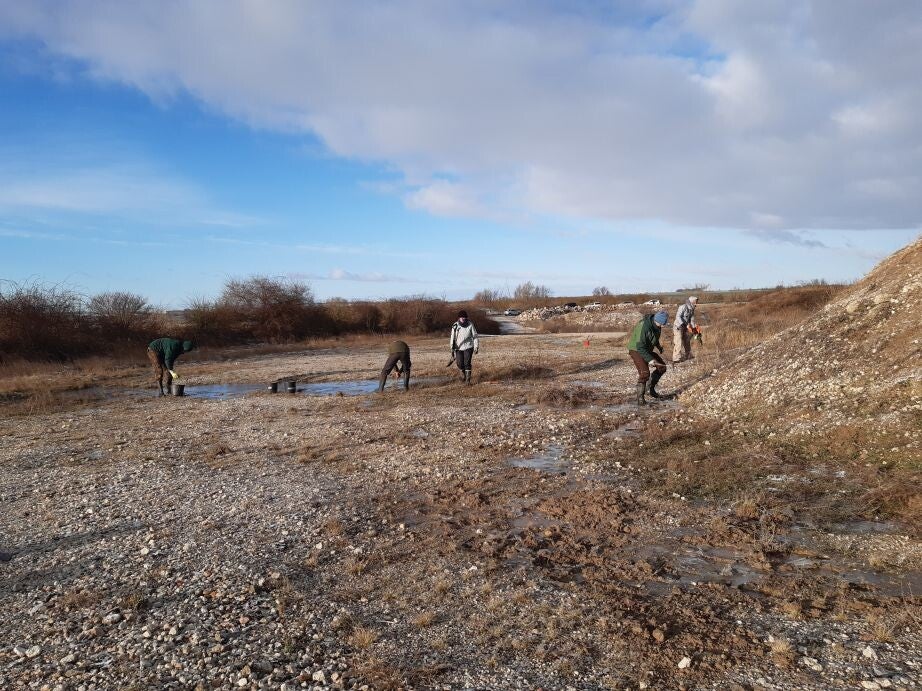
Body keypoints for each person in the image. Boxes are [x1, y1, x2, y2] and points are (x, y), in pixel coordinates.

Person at [627, 310, 669, 405]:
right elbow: (640, 347)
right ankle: (640, 399)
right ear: (657, 320)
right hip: (636, 349)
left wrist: (659, 347)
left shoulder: (657, 326)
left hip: (647, 349)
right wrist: (650, 360)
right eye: (663, 324)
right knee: (645, 373)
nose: (663, 326)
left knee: (662, 367)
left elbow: (655, 338)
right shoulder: (643, 326)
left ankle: (650, 390)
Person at [450, 310, 479, 384]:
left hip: (468, 347)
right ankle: (464, 375)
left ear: (466, 318)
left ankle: (467, 381)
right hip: (458, 348)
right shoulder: (455, 325)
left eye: (464, 317)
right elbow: (452, 337)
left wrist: (476, 347)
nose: (463, 318)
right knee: (459, 363)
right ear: (459, 318)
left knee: (467, 363)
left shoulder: (470, 325)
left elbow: (475, 336)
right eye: (461, 317)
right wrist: (452, 347)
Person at [673, 296, 699, 364]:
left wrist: (694, 328)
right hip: (678, 326)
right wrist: (682, 324)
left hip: (685, 327)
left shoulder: (692, 309)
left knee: (687, 340)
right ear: (692, 301)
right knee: (678, 341)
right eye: (695, 301)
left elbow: (692, 319)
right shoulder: (683, 307)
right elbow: (678, 316)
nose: (696, 303)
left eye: (697, 301)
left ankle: (688, 355)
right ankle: (676, 358)